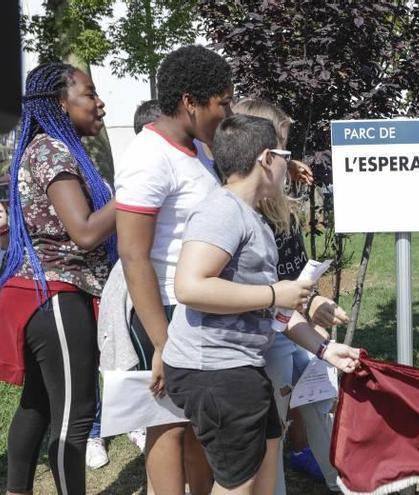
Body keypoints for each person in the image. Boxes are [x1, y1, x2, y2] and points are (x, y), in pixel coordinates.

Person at [162, 113, 360, 494]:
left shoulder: (252, 218)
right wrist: (274, 292)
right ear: (267, 158)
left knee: (265, 468)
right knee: (239, 484)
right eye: (285, 153)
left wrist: (324, 349)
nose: (290, 164)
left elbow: (273, 313)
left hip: (242, 367)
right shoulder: (221, 211)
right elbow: (188, 286)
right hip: (216, 371)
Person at [115, 45, 233, 495]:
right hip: (162, 306)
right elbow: (133, 255)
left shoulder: (196, 151)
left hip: (195, 304)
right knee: (165, 424)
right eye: (222, 102)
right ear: (190, 101)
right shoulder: (149, 157)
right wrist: (162, 340)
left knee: (198, 421)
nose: (227, 111)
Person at [0, 62, 115, 495]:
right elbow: (85, 231)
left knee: (39, 405)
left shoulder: (51, 147)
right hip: (57, 295)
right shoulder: (52, 151)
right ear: (60, 104)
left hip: (42, 293)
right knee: (76, 413)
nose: (100, 102)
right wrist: (141, 194)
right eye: (90, 93)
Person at [232, 97, 344, 493]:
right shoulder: (240, 214)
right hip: (266, 338)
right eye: (283, 150)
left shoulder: (279, 205)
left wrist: (312, 302)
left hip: (291, 327)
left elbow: (291, 272)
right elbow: (265, 289)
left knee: (322, 404)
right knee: (272, 433)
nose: (289, 160)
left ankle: (343, 482)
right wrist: (306, 305)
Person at [86, 99, 160, 470]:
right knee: (108, 363)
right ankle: (97, 430)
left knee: (133, 364)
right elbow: (91, 234)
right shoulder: (135, 174)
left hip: (117, 277)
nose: (100, 106)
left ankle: (135, 422)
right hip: (101, 283)